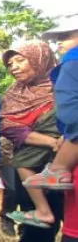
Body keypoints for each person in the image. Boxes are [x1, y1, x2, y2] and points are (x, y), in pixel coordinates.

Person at [23, 18, 78, 242]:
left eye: (65, 39)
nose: (62, 47)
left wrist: (58, 168)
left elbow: (75, 126)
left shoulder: (72, 67)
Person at [0, 42, 60, 242]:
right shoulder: (13, 94)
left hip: (69, 167)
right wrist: (48, 142)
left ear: (40, 59)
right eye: (10, 63)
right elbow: (7, 126)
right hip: (32, 172)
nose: (14, 67)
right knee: (35, 229)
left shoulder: (64, 88)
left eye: (20, 60)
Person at [23, 16, 78, 192]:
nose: (59, 42)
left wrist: (69, 132)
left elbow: (69, 105)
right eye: (57, 39)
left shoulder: (71, 61)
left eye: (66, 36)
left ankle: (58, 169)